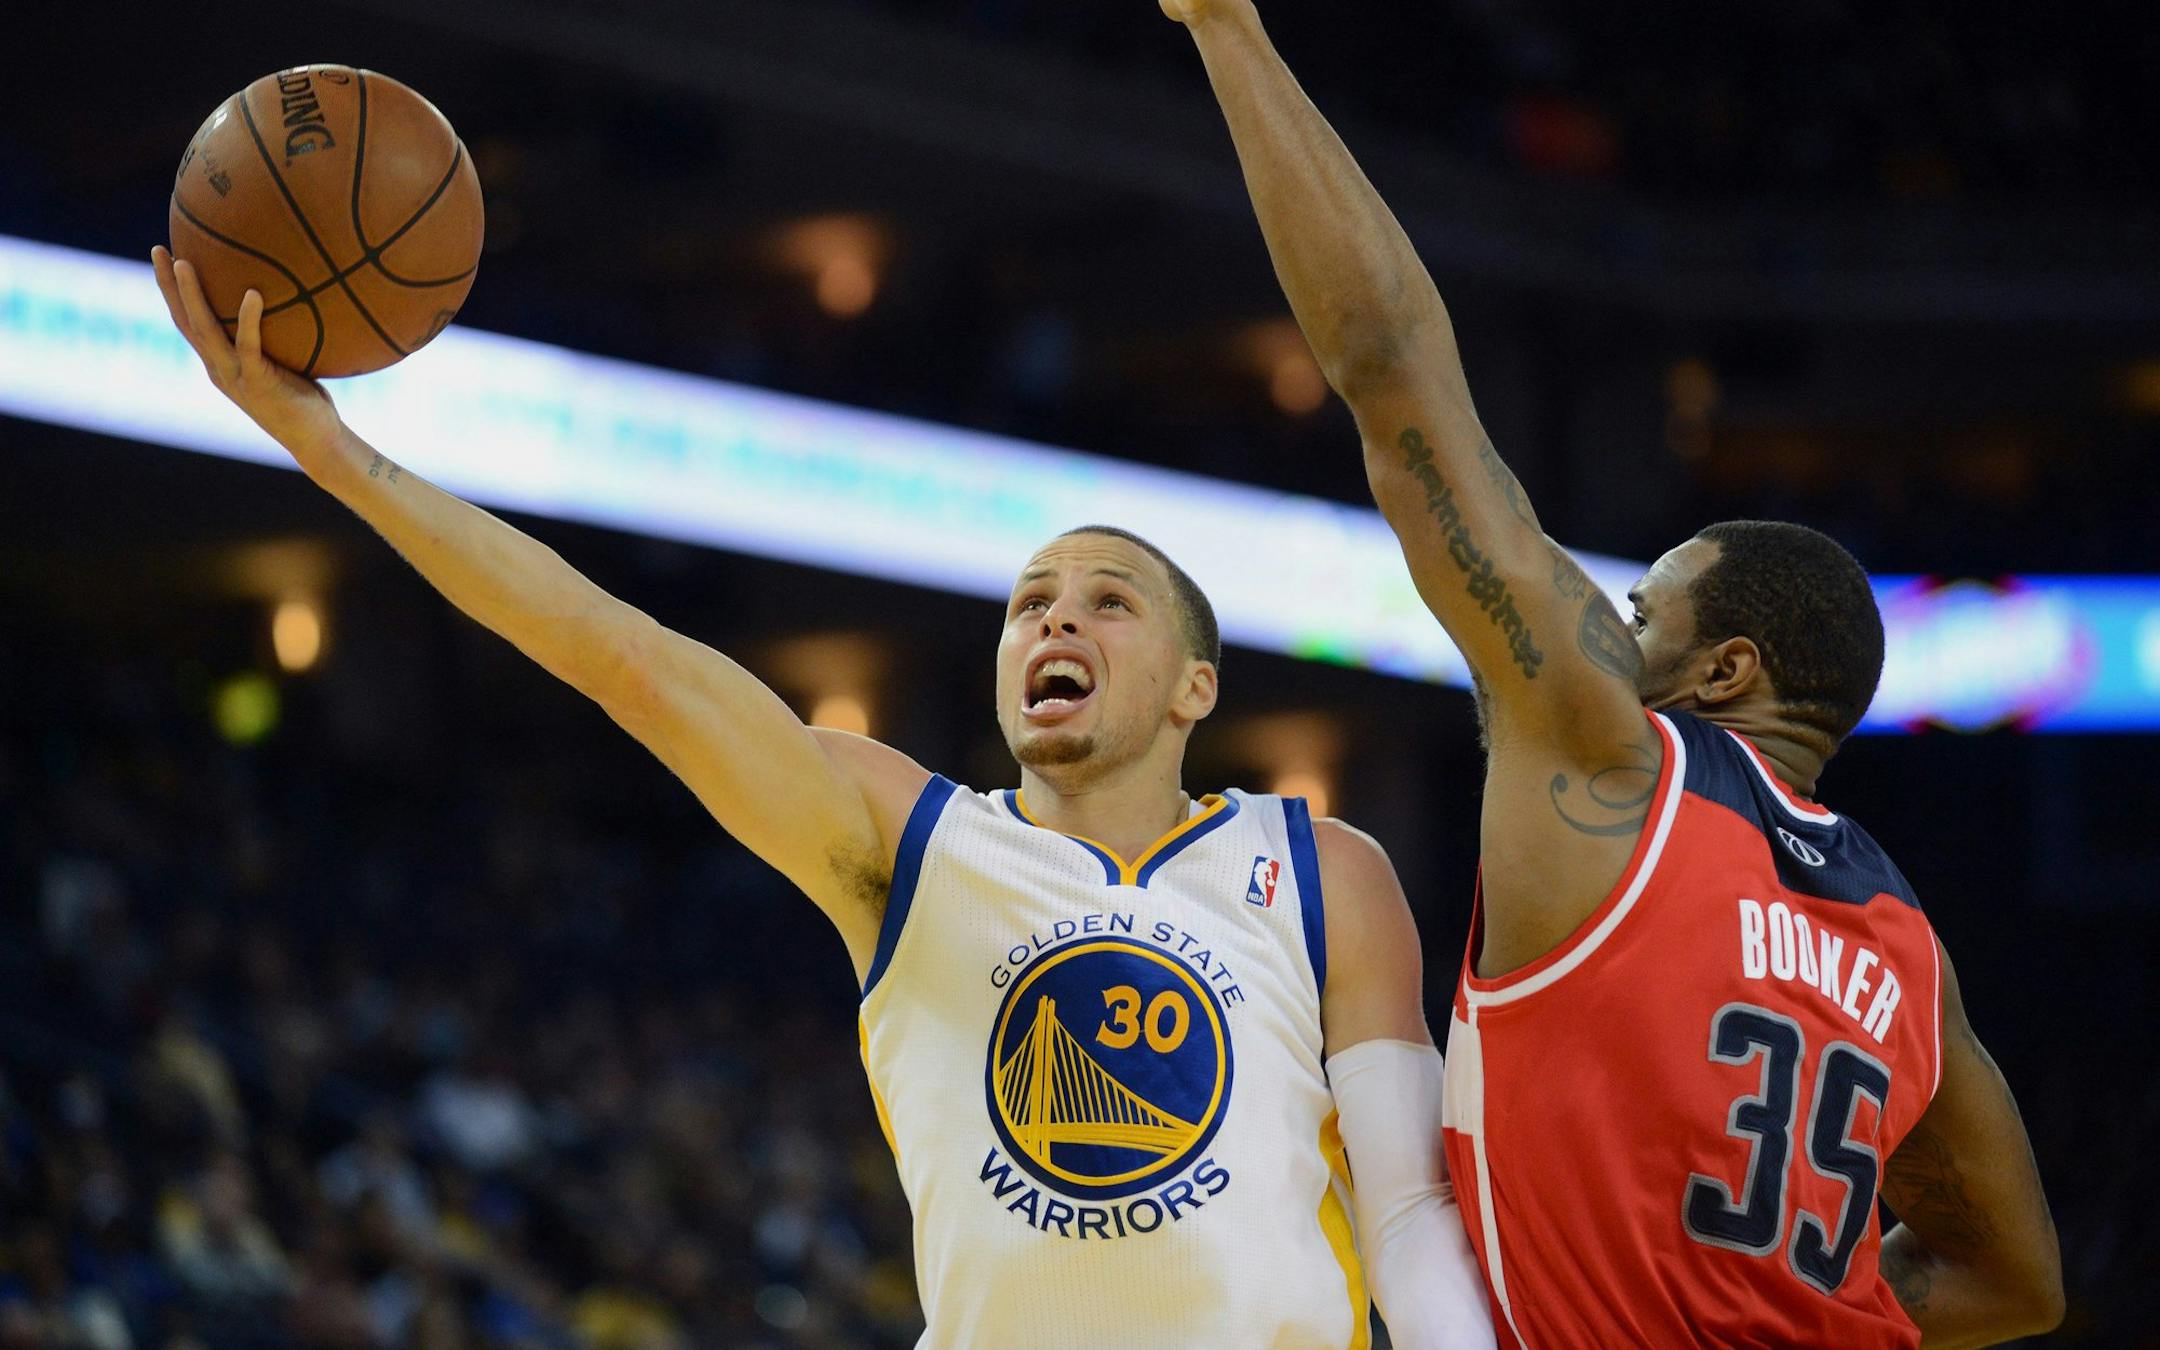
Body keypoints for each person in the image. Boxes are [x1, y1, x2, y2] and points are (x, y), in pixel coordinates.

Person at [149, 247, 1493, 1349]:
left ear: (1196, 687)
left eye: (1104, 600)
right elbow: (621, 654)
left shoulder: (1322, 868)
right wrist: (333, 454)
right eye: (1029, 603)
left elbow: (1407, 1215)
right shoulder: (904, 833)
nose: (1051, 621)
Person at [1160, 2, 2066, 1344]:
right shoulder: (1908, 954)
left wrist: (1227, 27)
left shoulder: (1616, 762)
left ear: (1724, 669)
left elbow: (1390, 378)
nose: (1612, 632)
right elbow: (2020, 1284)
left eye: (1642, 611)